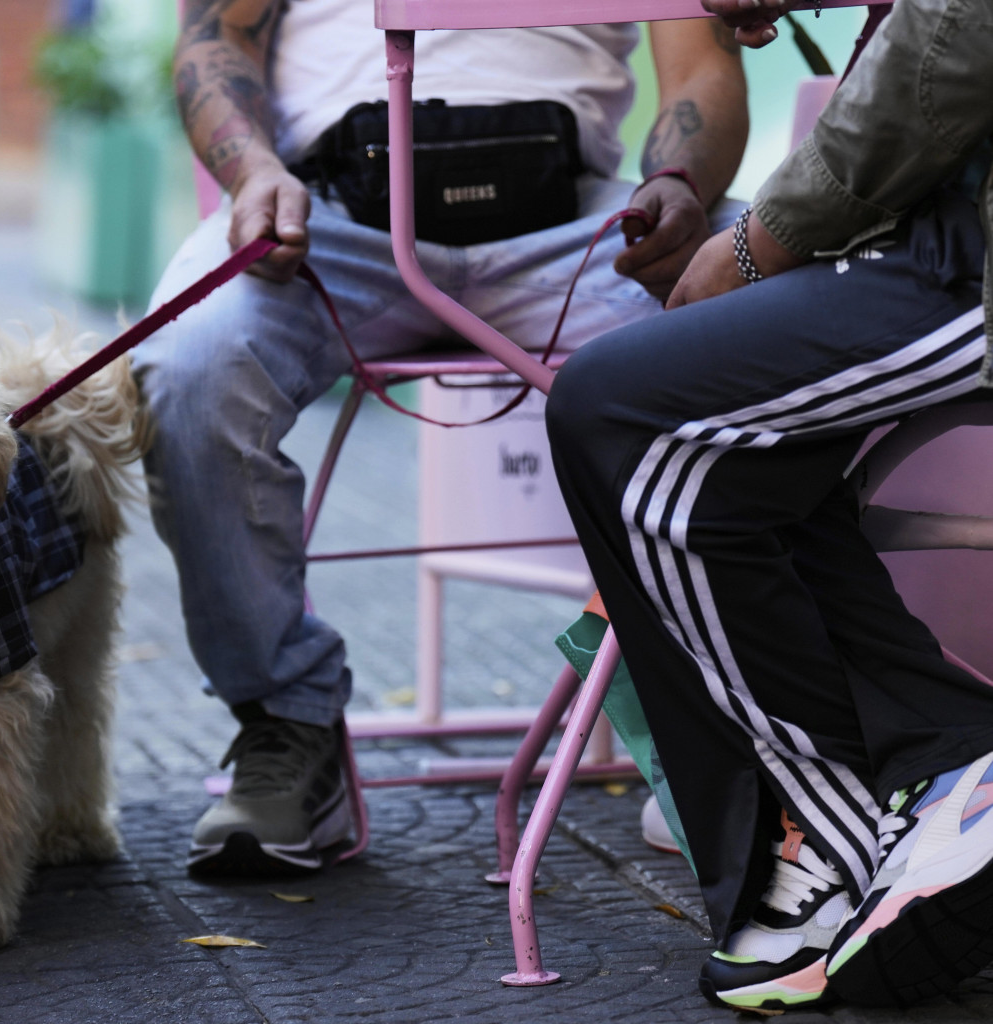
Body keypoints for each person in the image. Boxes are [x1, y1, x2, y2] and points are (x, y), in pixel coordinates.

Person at [133, 0, 748, 877]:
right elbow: (213, 36)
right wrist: (253, 171)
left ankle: (711, 721)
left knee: (767, 310)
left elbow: (703, 66)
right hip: (328, 219)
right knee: (190, 367)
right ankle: (286, 724)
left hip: (581, 226)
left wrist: (681, 182)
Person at [546, 0, 993, 1010]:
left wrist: (760, 241)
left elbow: (957, 29)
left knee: (624, 414)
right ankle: (943, 758)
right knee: (691, 435)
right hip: (936, 230)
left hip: (963, 252)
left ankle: (830, 833)